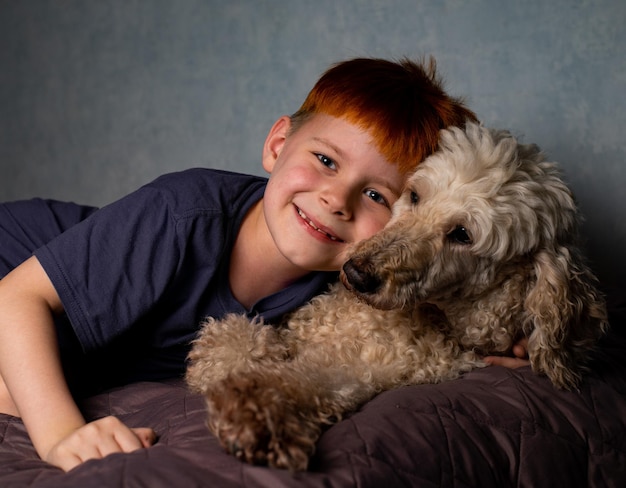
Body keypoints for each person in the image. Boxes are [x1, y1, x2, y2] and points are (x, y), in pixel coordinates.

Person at [0, 56, 479, 471]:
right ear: (277, 146)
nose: (336, 199)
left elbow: (421, 326)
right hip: (17, 270)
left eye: (376, 194)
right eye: (326, 160)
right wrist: (63, 435)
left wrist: (490, 336)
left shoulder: (339, 288)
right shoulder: (183, 213)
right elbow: (17, 300)